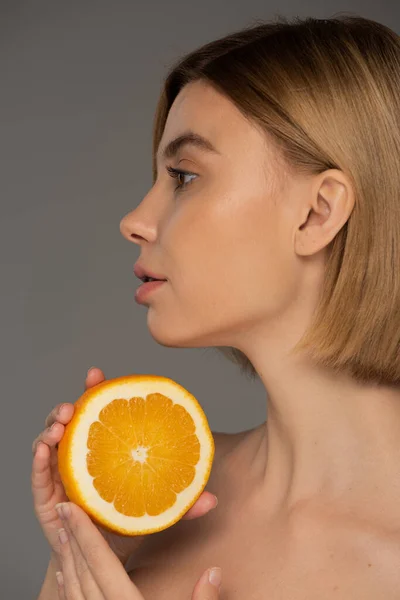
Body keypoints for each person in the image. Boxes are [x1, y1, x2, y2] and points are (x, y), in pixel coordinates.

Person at [33, 13, 400, 599]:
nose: (134, 221)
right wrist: (72, 561)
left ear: (318, 213)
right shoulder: (144, 506)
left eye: (183, 176)